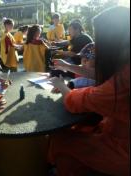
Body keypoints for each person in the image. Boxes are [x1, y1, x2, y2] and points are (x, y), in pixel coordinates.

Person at [48, 6, 130, 176]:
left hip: (122, 151)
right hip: (115, 131)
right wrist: (67, 66)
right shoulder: (123, 64)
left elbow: (75, 102)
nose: (96, 46)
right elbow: (97, 74)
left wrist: (61, 85)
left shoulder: (123, 81)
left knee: (60, 139)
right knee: (81, 128)